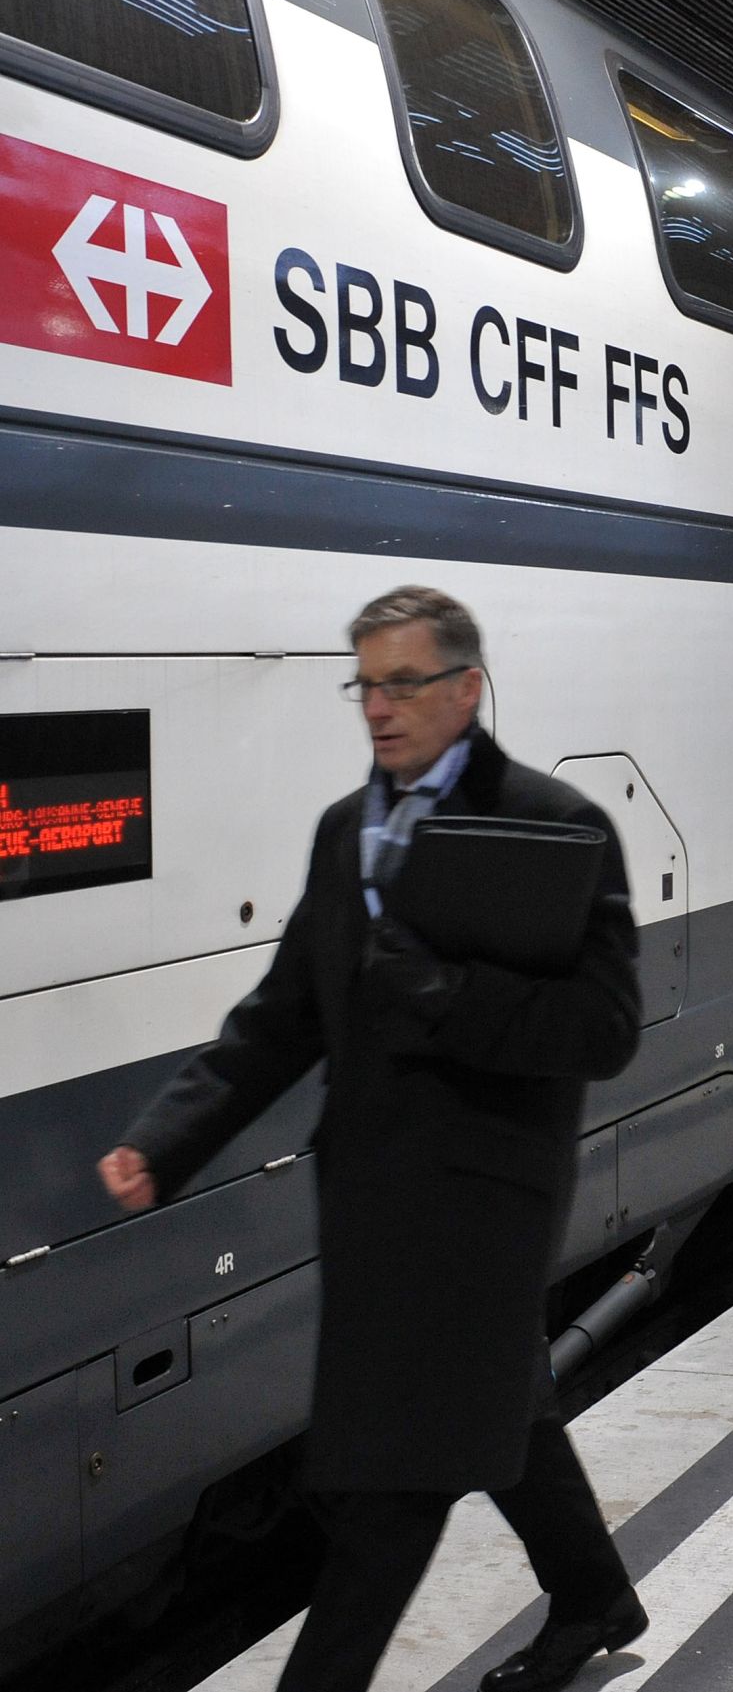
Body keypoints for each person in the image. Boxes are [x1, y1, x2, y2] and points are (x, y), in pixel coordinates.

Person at [97, 587, 646, 1692]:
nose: (378, 708)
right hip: (373, 1197)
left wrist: (451, 993)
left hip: (486, 1204)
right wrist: (169, 1136)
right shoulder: (346, 828)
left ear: (465, 688)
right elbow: (284, 1011)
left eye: (402, 682)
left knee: (399, 1482)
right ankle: (594, 1592)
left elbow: (605, 1027)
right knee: (502, 1407)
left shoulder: (554, 820)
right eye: (365, 683)